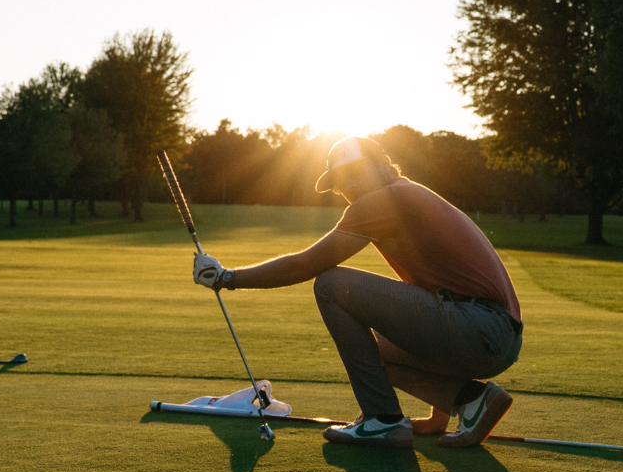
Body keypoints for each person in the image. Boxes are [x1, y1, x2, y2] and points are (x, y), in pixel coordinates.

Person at [192, 137, 523, 449]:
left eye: (353, 174)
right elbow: (434, 294)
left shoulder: (385, 199)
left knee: (332, 285)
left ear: (381, 165)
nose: (347, 187)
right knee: (378, 355)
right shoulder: (406, 196)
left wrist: (226, 277)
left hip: (480, 326)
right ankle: (471, 401)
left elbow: (303, 266)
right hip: (489, 332)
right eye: (338, 182)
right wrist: (440, 416)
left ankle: (382, 419)